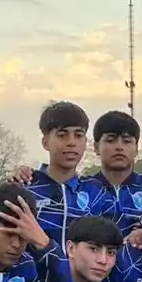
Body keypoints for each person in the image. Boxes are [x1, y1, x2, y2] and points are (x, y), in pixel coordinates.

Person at [24, 100, 99, 249]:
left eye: (78, 135)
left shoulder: (97, 192)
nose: (71, 143)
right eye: (62, 135)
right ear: (45, 142)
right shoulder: (26, 188)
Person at [87, 110, 142, 234]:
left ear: (136, 149)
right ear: (96, 147)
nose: (119, 147)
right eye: (111, 140)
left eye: (127, 141)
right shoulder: (85, 189)